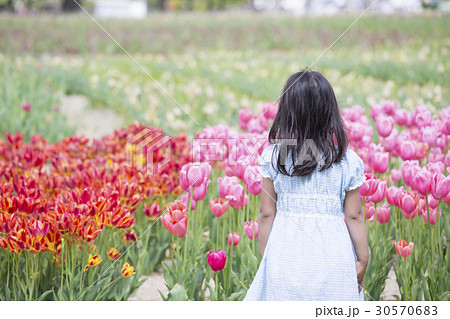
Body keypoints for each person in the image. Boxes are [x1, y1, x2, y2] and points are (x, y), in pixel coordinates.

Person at [244, 70, 369, 301]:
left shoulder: (274, 157)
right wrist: (363, 259)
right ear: (330, 113)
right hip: (334, 257)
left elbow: (266, 214)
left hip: (284, 254)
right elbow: (354, 216)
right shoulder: (347, 161)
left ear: (287, 113)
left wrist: (266, 259)